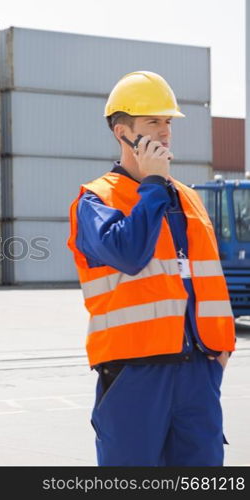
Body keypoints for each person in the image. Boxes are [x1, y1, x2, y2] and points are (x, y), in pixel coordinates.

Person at [67, 71, 236, 466]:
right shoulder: (95, 201)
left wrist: (221, 349)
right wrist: (154, 184)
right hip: (135, 372)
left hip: (198, 368)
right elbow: (130, 253)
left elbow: (207, 281)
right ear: (122, 132)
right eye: (152, 122)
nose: (164, 131)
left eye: (167, 122)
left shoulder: (190, 199)